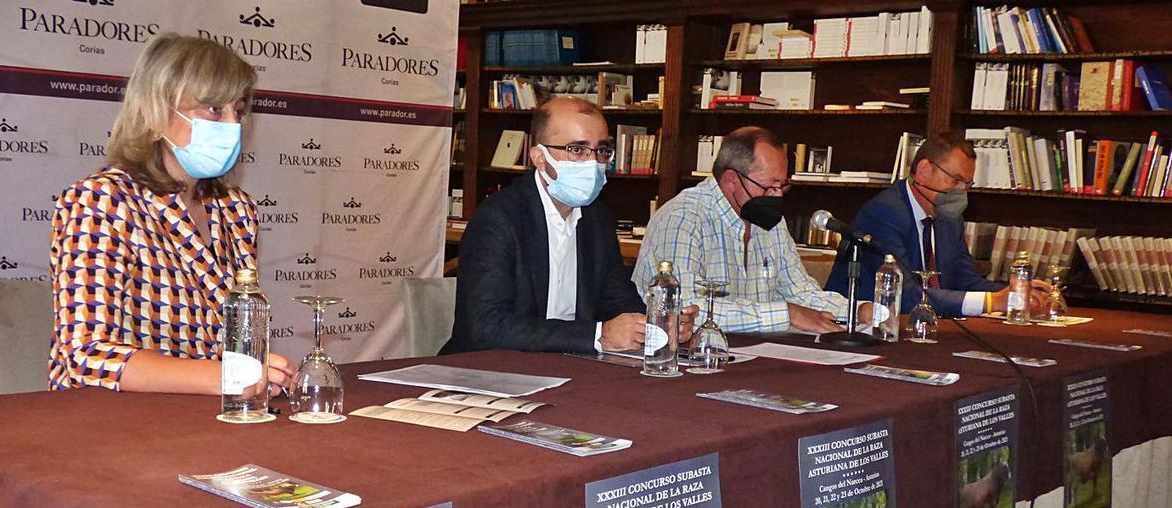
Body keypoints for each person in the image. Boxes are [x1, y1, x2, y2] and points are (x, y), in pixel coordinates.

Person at [49, 34, 294, 392]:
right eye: (213, 109)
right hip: (108, 424)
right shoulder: (101, 200)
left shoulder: (237, 208)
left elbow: (237, 338)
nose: (231, 125)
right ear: (154, 111)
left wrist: (259, 371)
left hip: (210, 417)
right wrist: (226, 377)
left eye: (238, 111)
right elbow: (88, 354)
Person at [442, 97, 695, 354]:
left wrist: (659, 324)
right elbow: (487, 328)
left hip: (572, 366)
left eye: (601, 151)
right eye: (577, 150)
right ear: (539, 158)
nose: (592, 163)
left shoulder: (597, 219)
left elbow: (618, 300)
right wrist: (597, 335)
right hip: (486, 370)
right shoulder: (498, 219)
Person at [633, 126, 870, 334]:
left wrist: (859, 310)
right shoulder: (684, 218)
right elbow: (688, 309)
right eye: (768, 186)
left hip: (752, 353)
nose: (776, 195)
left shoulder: (769, 220)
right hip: (683, 357)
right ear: (730, 180)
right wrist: (786, 314)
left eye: (782, 185)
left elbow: (800, 293)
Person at [825, 132, 1050, 317]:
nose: (962, 191)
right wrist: (992, 302)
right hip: (865, 327)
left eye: (967, 183)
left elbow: (965, 279)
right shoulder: (884, 213)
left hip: (924, 327)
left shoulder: (949, 217)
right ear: (924, 170)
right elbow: (904, 294)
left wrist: (1015, 292)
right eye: (955, 180)